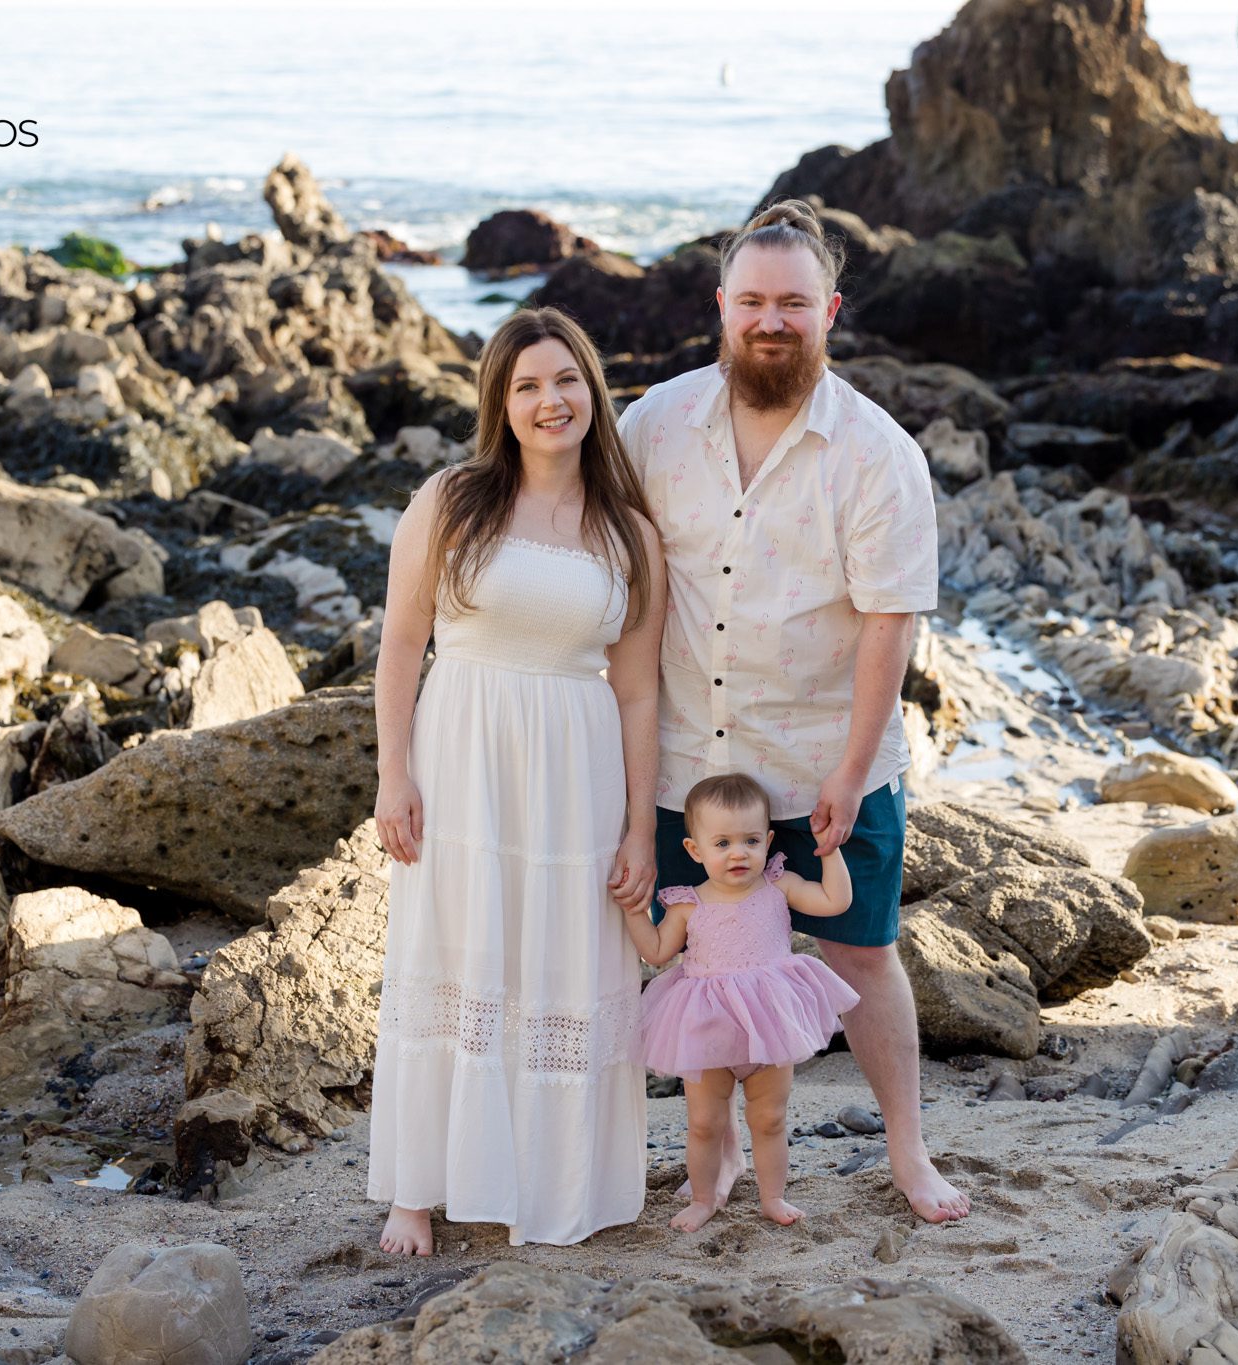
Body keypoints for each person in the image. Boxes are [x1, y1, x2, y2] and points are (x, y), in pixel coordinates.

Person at [614, 198, 969, 1224]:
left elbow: (888, 627)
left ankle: (907, 1153)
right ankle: (719, 1150)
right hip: (687, 765)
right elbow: (615, 573)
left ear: (830, 312)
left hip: (824, 759)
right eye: (753, 301)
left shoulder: (877, 453)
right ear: (722, 305)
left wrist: (849, 775)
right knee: (702, 965)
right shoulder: (653, 425)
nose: (772, 321)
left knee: (862, 953)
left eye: (794, 304)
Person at [368, 307, 666, 1254]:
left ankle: (553, 1184)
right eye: (528, 384)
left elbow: (638, 693)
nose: (551, 400)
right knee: (452, 951)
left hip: (577, 773)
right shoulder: (451, 500)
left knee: (562, 961)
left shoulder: (629, 533)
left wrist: (640, 831)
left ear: (593, 392)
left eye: (567, 379)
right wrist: (393, 774)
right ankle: (416, 1189)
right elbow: (401, 644)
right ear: (500, 400)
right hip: (463, 759)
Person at [626, 772, 860, 1232]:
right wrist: (633, 909)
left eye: (751, 841)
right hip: (709, 1028)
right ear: (695, 849)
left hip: (769, 1025)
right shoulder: (687, 904)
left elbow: (835, 901)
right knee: (704, 1123)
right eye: (722, 843)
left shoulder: (778, 886)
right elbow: (655, 951)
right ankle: (703, 1199)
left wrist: (829, 852)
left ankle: (773, 1197)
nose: (738, 853)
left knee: (769, 1118)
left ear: (768, 841)